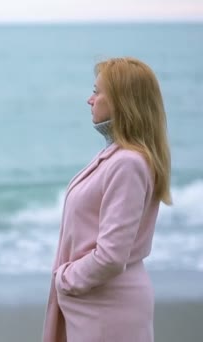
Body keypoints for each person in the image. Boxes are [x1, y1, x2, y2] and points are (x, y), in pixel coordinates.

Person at [42, 57, 172, 342]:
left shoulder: (128, 163)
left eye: (97, 92)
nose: (90, 100)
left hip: (108, 307)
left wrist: (65, 279)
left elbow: (111, 256)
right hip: (94, 303)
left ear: (122, 101)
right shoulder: (115, 156)